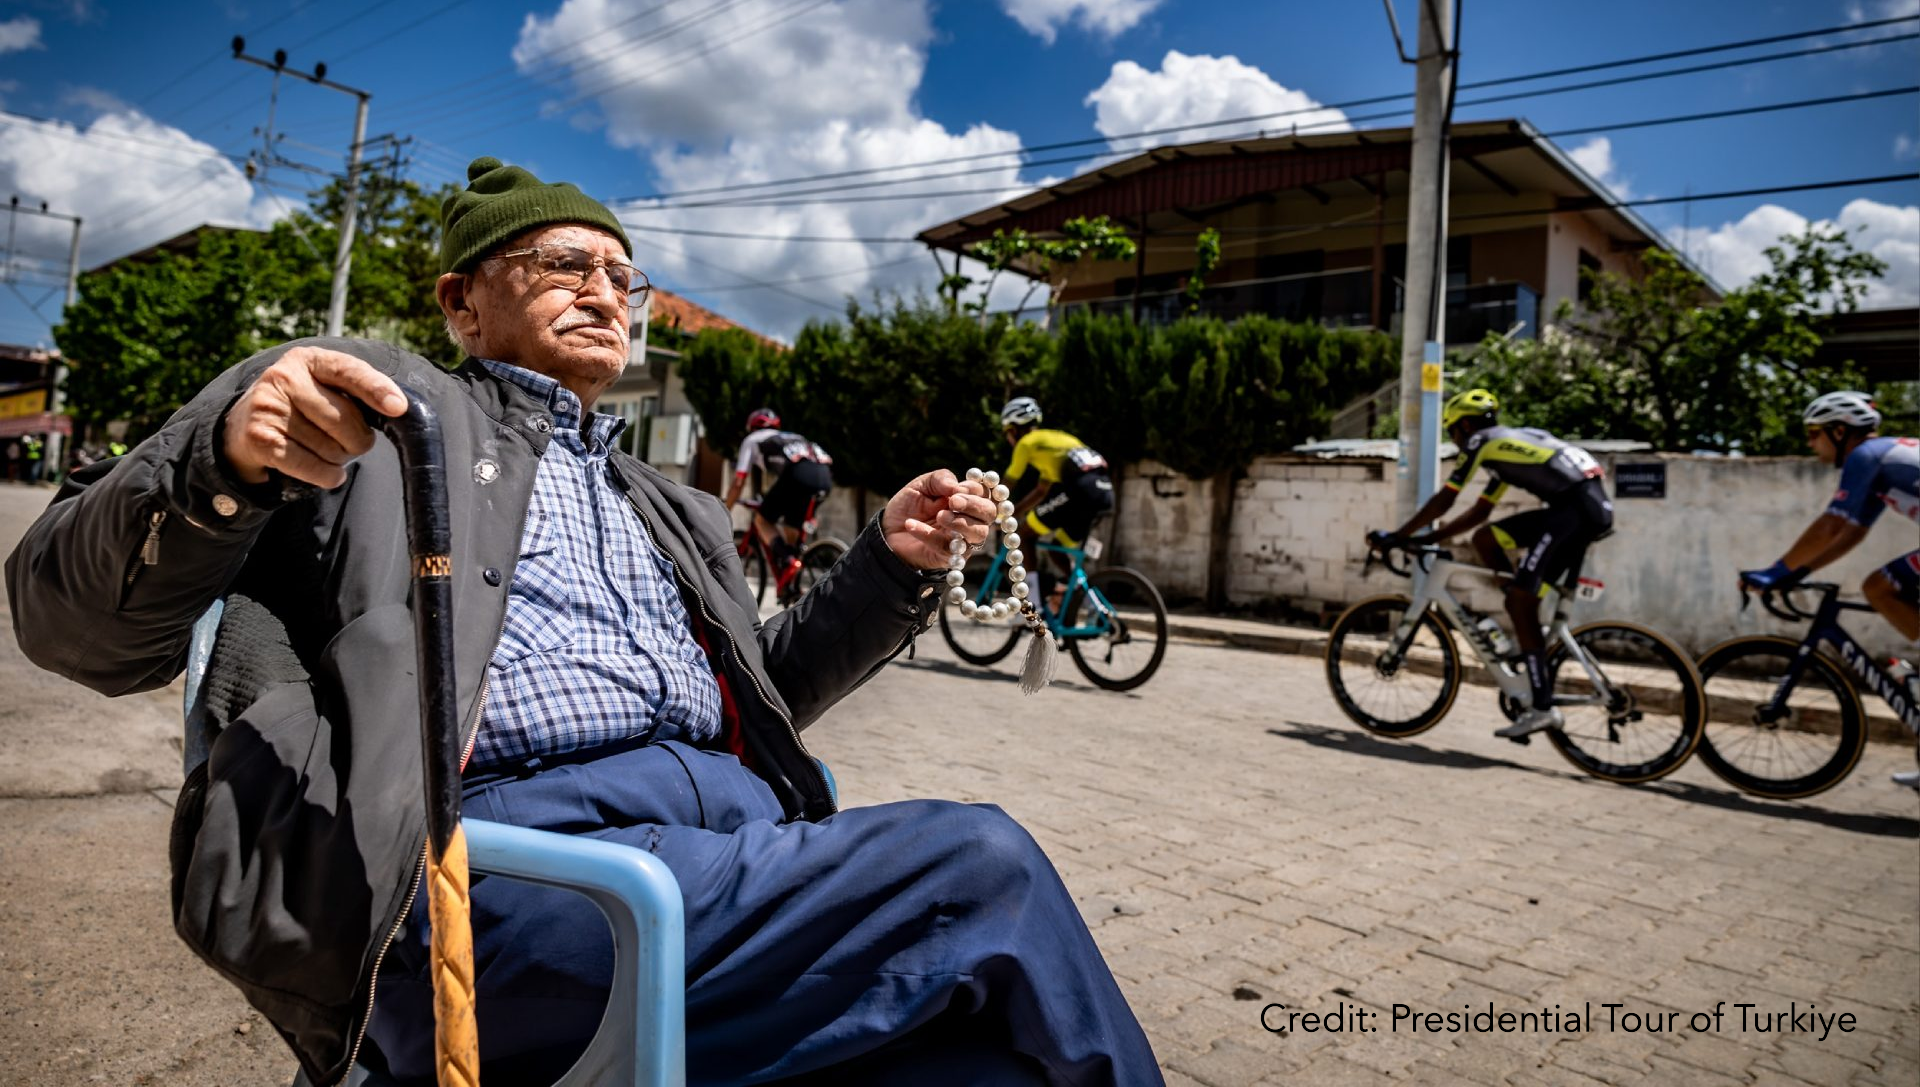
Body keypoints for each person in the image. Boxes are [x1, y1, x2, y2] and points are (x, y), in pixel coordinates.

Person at [6, 157, 1160, 1087]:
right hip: (508, 877)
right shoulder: (375, 411)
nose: (606, 292)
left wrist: (888, 569)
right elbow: (67, 622)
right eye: (564, 264)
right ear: (461, 300)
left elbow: (760, 700)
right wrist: (221, 465)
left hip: (728, 864)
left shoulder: (671, 502)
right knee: (979, 867)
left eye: (624, 275)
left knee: (988, 1058)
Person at [1369, 388, 1615, 741]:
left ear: (1465, 425)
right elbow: (1480, 513)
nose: (1455, 441)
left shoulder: (1480, 440)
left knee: (1519, 601)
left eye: (1453, 432)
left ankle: (1541, 707)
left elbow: (1446, 499)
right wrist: (1426, 540)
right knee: (1487, 539)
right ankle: (1521, 610)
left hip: (1573, 511)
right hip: (1585, 509)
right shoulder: (1507, 451)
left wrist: (1398, 535)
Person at [1738, 391, 1918, 791]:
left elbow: (1830, 524)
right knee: (1882, 587)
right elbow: (1851, 531)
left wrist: (1775, 571)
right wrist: (1796, 572)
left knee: (1879, 587)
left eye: (1814, 432)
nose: (1809, 442)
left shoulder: (1866, 456)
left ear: (1840, 431)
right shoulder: (1884, 459)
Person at [999, 397, 1114, 617]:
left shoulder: (1027, 442)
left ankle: (1033, 605)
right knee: (1057, 551)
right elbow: (1041, 491)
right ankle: (1096, 607)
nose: (1009, 440)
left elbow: (1008, 483)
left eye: (1008, 434)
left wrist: (994, 511)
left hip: (1080, 489)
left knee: (1024, 535)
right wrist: (1013, 512)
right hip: (1104, 491)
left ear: (1014, 429)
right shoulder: (1054, 441)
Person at [721, 408, 834, 604]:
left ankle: (790, 562)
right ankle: (792, 584)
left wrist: (724, 510)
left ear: (752, 427)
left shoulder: (753, 440)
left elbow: (738, 482)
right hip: (824, 476)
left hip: (798, 475)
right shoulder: (792, 437)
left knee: (762, 519)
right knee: (791, 529)